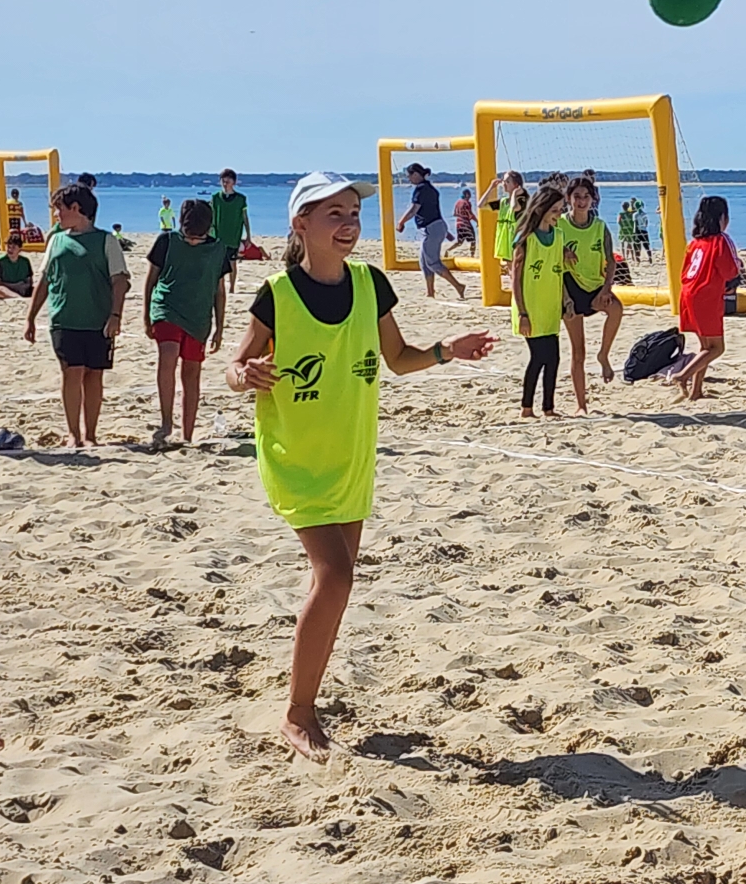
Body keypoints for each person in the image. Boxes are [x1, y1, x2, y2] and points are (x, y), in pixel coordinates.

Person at [225, 172, 494, 761]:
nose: (349, 224)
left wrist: (448, 351)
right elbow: (235, 366)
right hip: (295, 458)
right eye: (335, 214)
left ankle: (306, 696)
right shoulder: (278, 292)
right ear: (301, 225)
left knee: (334, 586)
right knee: (337, 579)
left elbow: (397, 359)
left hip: (350, 457)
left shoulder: (371, 284)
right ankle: (297, 713)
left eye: (353, 213)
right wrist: (246, 374)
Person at [23, 185, 131, 447]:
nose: (56, 214)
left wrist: (116, 315)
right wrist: (30, 317)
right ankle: (74, 434)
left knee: (94, 375)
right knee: (72, 373)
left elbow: (120, 281)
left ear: (76, 208)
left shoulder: (106, 240)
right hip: (64, 319)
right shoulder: (56, 240)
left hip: (98, 320)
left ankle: (90, 434)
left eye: (59, 208)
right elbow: (45, 280)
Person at [143, 199, 227, 443]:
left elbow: (219, 290)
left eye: (198, 237)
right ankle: (166, 423)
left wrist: (220, 328)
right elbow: (150, 280)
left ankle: (187, 434)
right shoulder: (166, 241)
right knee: (167, 358)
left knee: (192, 373)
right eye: (189, 235)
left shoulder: (218, 249)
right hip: (166, 308)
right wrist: (146, 315)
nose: (193, 241)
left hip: (199, 317)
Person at [558, 176, 623, 411]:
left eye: (586, 196)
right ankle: (581, 405)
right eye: (577, 196)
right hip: (570, 289)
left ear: (593, 199)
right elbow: (546, 251)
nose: (581, 201)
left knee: (616, 309)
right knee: (578, 352)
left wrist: (606, 288)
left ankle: (604, 355)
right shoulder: (560, 225)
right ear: (569, 199)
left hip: (595, 287)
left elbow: (611, 262)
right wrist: (562, 251)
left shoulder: (600, 227)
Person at [671, 196, 739, 402]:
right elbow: (731, 270)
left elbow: (685, 272)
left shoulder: (695, 243)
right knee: (717, 348)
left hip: (688, 293)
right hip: (706, 297)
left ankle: (696, 391)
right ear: (722, 218)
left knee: (705, 347)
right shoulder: (721, 240)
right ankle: (682, 376)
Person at [510, 187, 568, 418]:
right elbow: (515, 279)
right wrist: (522, 313)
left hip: (550, 308)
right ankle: (526, 408)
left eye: (561, 209)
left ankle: (548, 408)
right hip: (530, 308)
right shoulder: (526, 239)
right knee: (539, 357)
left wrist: (566, 302)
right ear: (541, 209)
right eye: (554, 210)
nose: (559, 214)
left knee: (554, 359)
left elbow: (559, 272)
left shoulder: (559, 236)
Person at [396, 163, 468, 300]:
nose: (408, 179)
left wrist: (401, 222)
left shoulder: (421, 189)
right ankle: (430, 292)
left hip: (431, 229)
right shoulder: (430, 188)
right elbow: (434, 211)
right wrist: (446, 232)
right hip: (437, 226)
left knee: (433, 263)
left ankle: (458, 286)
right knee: (424, 262)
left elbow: (413, 210)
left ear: (416, 174)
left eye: (409, 176)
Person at [480, 171, 526, 283]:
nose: (504, 184)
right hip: (504, 242)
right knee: (511, 273)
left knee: (519, 273)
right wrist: (491, 188)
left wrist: (514, 194)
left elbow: (514, 207)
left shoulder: (522, 200)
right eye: (503, 181)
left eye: (507, 182)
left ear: (516, 185)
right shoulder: (503, 202)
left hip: (516, 241)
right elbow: (481, 205)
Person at [212, 168, 251, 294]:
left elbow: (245, 218)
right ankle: (220, 287)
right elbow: (212, 216)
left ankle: (232, 288)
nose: (225, 184)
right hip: (218, 236)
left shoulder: (241, 199)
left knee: (232, 263)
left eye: (228, 181)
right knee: (219, 265)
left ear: (233, 182)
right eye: (223, 181)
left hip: (233, 236)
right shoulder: (215, 198)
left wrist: (248, 236)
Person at [0, 234, 33, 300]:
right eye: (8, 247)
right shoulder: (0, 261)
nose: (10, 249)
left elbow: (29, 281)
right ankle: (18, 298)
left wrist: (22, 286)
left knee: (38, 288)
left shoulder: (25, 261)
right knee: (0, 290)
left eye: (13, 247)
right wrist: (14, 286)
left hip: (21, 288)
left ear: (19, 248)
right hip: (5, 288)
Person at [444, 188, 478, 258]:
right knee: (473, 241)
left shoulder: (457, 202)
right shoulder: (467, 203)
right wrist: (477, 221)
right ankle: (472, 256)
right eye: (469, 194)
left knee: (459, 242)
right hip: (465, 223)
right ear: (467, 195)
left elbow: (454, 214)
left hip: (458, 224)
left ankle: (448, 250)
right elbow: (470, 214)